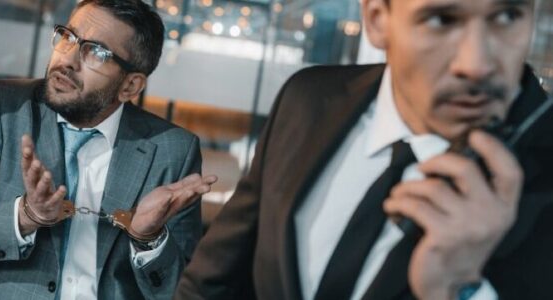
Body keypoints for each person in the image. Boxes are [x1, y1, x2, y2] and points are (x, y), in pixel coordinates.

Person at [177, 0, 553, 299]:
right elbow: (211, 283)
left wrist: (462, 291)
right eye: (440, 19)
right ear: (376, 19)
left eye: (507, 15)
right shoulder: (308, 100)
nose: (477, 64)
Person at [0, 0, 217, 299]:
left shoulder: (173, 150)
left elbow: (182, 290)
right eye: (68, 37)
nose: (68, 59)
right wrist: (24, 217)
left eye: (96, 52)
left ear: (131, 86)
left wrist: (149, 239)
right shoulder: (7, 109)